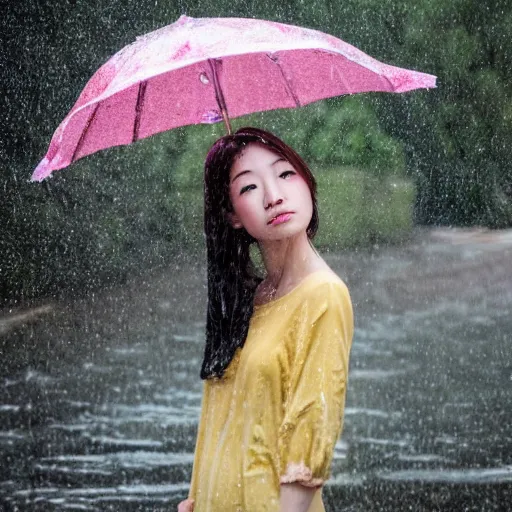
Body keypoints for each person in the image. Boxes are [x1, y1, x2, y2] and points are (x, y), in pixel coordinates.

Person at [178, 127, 353, 512]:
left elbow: (311, 438)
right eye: (248, 188)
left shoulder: (323, 295)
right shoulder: (249, 301)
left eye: (285, 174)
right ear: (231, 215)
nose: (274, 196)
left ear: (307, 181)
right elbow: (219, 425)